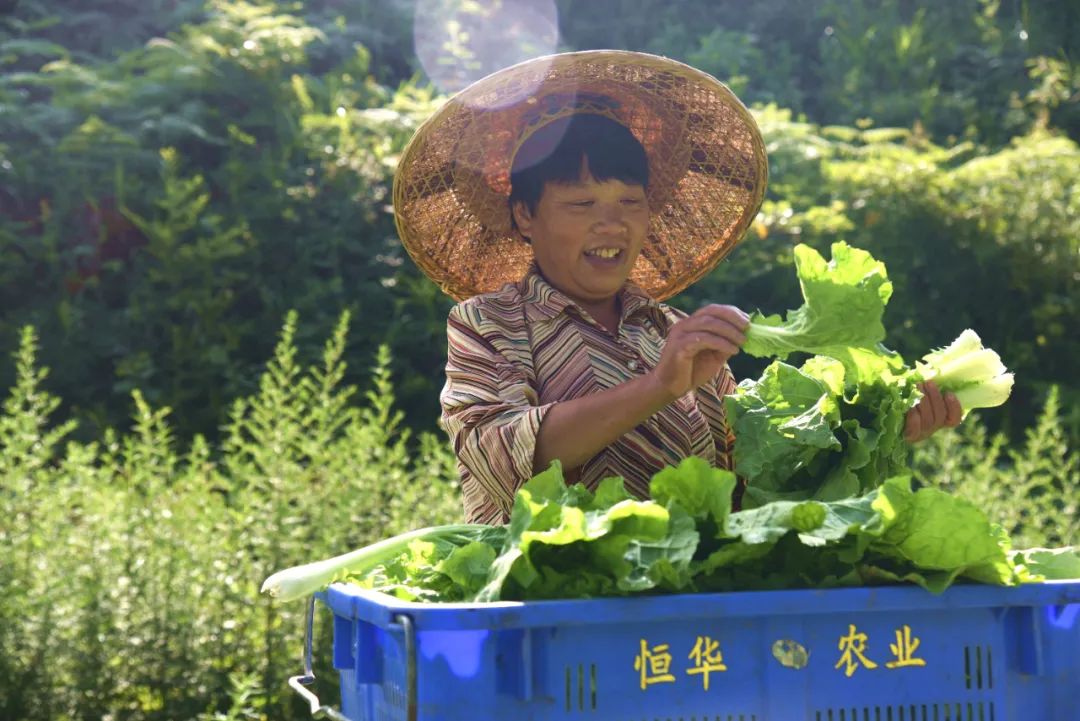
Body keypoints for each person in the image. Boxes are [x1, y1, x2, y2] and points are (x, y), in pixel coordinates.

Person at [392, 51, 961, 525]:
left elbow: (754, 482)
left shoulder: (675, 334)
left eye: (629, 204)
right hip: (546, 609)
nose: (610, 224)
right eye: (581, 204)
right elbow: (498, 456)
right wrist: (660, 386)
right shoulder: (488, 323)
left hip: (680, 613)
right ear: (524, 216)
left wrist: (879, 432)